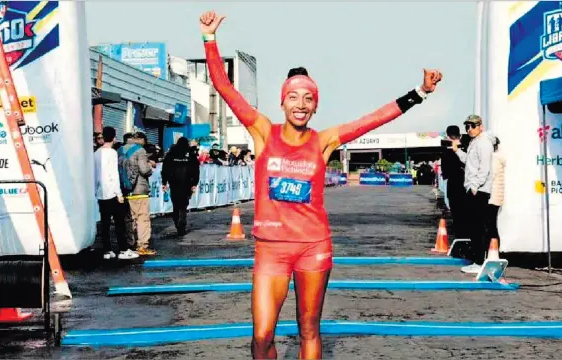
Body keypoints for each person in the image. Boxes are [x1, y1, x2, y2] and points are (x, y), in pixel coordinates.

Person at [199, 10, 442, 359]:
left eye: (308, 99)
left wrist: (420, 91)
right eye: (293, 97)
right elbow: (223, 87)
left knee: (308, 329)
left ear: (315, 106)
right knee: (262, 336)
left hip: (313, 246)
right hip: (271, 249)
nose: (300, 104)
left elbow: (373, 119)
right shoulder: (262, 132)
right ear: (282, 101)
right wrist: (209, 40)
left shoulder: (325, 140)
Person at [452, 115, 494, 274]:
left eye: (472, 126)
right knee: (473, 226)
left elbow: (485, 168)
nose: (469, 129)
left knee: (477, 227)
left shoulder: (483, 142)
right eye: (467, 126)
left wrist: (475, 186)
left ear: (480, 126)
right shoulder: (475, 142)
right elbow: (469, 162)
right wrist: (458, 152)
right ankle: (477, 260)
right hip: (474, 188)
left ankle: (479, 261)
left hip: (479, 190)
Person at [93, 126, 139, 260]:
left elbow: (95, 175)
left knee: (105, 223)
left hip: (101, 192)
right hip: (112, 192)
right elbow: (113, 174)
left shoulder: (96, 153)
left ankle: (107, 250)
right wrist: (119, 194)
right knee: (120, 222)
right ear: (114, 137)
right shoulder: (112, 153)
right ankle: (123, 250)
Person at [161, 137, 200, 236]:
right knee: (183, 204)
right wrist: (195, 183)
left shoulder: (171, 154)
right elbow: (196, 170)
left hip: (174, 183)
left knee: (175, 204)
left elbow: (165, 169)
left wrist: (164, 182)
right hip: (187, 183)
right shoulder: (191, 155)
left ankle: (178, 222)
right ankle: (181, 223)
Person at [440, 125, 467, 239]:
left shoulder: (446, 151)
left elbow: (444, 172)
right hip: (467, 185)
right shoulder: (466, 147)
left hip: (453, 185)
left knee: (456, 216)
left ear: (447, 135)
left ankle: (460, 240)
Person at [486, 137, 505, 247]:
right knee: (491, 224)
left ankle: (493, 251)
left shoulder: (493, 158)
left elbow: (490, 176)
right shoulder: (498, 158)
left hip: (491, 196)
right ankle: (493, 251)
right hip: (496, 196)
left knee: (490, 225)